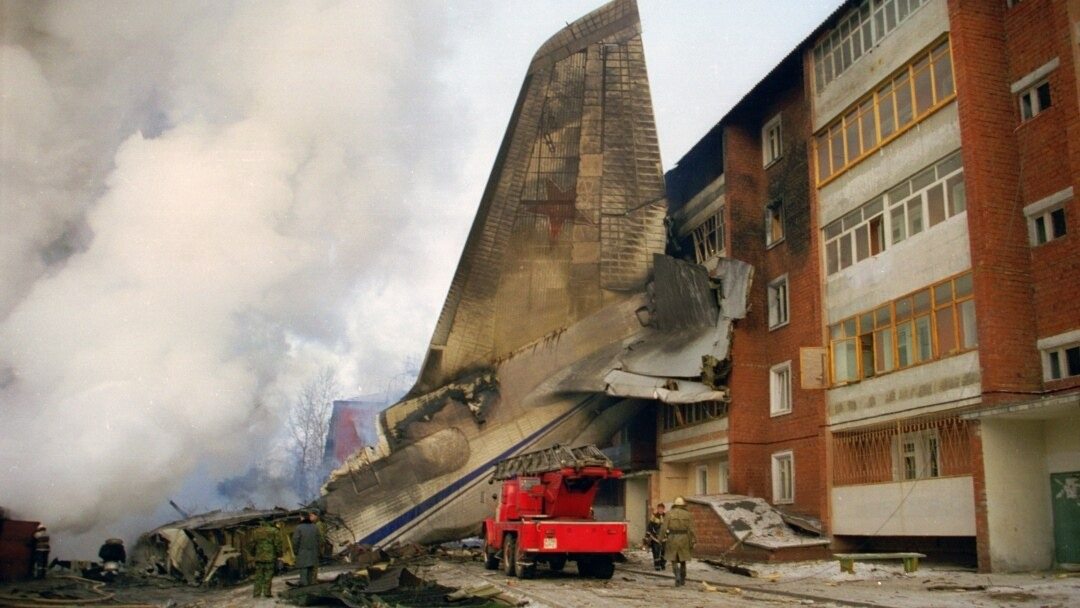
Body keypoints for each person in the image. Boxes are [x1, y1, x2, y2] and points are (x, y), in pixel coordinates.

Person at [660, 496, 695, 587]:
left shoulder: (669, 514)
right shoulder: (688, 514)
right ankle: (683, 578)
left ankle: (677, 576)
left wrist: (660, 538)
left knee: (673, 559)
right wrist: (694, 540)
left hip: (672, 537)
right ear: (683, 505)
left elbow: (664, 528)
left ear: (674, 505)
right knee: (683, 560)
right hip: (684, 538)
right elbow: (692, 529)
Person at [249, 518, 282, 598]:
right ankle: (267, 593)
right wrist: (279, 554)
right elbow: (278, 544)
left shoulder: (256, 531)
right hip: (270, 557)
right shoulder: (274, 531)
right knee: (268, 575)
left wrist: (253, 554)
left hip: (259, 557)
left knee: (258, 575)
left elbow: (251, 545)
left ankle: (256, 593)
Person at [291, 511, 323, 586]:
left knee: (303, 571)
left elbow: (295, 541)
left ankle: (304, 587)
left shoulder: (299, 528)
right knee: (311, 572)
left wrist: (296, 551)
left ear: (302, 517)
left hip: (303, 554)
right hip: (313, 553)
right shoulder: (315, 527)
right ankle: (311, 587)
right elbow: (320, 540)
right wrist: (318, 551)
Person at [645, 503, 666, 571]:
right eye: (659, 508)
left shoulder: (666, 516)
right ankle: (657, 566)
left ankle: (662, 564)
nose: (660, 510)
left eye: (662, 509)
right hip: (655, 537)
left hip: (664, 538)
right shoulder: (654, 516)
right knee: (656, 552)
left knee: (664, 552)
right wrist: (647, 536)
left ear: (663, 509)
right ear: (657, 509)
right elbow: (649, 526)